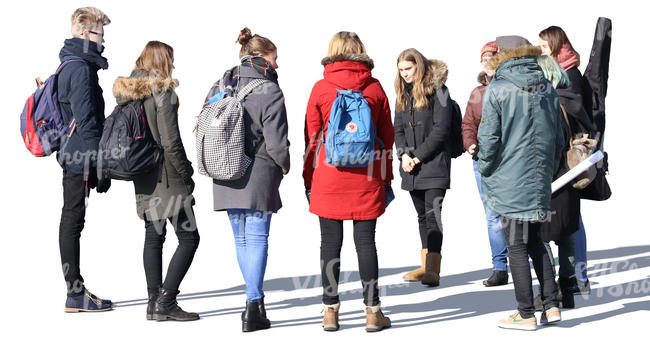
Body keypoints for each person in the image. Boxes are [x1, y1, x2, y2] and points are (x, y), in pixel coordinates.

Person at [303, 31, 394, 332]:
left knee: (330, 244)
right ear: (361, 52)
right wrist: (386, 178)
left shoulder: (320, 88)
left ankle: (330, 311)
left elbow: (312, 140)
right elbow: (387, 138)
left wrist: (309, 180)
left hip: (328, 177)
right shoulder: (375, 88)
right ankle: (372, 312)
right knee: (366, 243)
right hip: (367, 177)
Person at [204, 27, 290, 332]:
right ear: (261, 57)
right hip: (257, 173)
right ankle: (253, 307)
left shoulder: (221, 83)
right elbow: (277, 142)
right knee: (257, 238)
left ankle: (253, 302)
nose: (278, 64)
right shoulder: (269, 90)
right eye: (275, 57)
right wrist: (285, 167)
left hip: (223, 170)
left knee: (241, 239)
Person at [478, 36, 564, 330]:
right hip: (538, 178)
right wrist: (548, 171)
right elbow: (559, 140)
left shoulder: (497, 89)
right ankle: (551, 305)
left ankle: (525, 313)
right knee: (536, 240)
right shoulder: (547, 87)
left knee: (516, 245)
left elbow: (488, 140)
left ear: (503, 55)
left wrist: (486, 169)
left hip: (509, 178)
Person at [112, 41, 200, 321]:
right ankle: (167, 301)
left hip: (142, 173)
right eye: (171, 59)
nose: (173, 65)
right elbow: (170, 141)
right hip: (167, 175)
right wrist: (187, 173)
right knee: (189, 237)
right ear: (162, 60)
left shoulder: (129, 92)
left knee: (154, 236)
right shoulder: (163, 92)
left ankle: (153, 302)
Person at [56, 6, 112, 313]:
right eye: (100, 34)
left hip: (72, 153)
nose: (104, 41)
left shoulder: (69, 63)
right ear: (83, 33)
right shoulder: (80, 69)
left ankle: (75, 291)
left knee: (72, 219)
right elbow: (87, 121)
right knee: (72, 220)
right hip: (80, 156)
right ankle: (74, 292)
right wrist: (99, 164)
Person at [536, 55, 595, 310]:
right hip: (571, 176)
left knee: (541, 236)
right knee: (567, 234)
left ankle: (549, 290)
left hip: (549, 177)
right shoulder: (571, 102)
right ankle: (569, 287)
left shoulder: (547, 104)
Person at [393, 48, 452, 287]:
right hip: (411, 168)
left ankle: (433, 270)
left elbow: (441, 130)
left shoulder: (440, 92)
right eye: (401, 70)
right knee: (421, 217)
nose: (404, 74)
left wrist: (416, 156)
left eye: (408, 69)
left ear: (419, 66)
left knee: (432, 215)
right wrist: (403, 155)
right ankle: (425, 265)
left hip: (434, 165)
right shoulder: (402, 94)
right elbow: (397, 129)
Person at [461, 41, 509, 287]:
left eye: (492, 57)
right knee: (493, 216)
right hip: (483, 162)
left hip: (508, 161)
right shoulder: (477, 93)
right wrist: (470, 143)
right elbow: (467, 123)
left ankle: (530, 263)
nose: (487, 61)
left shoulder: (512, 88)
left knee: (514, 214)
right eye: (484, 58)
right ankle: (500, 267)